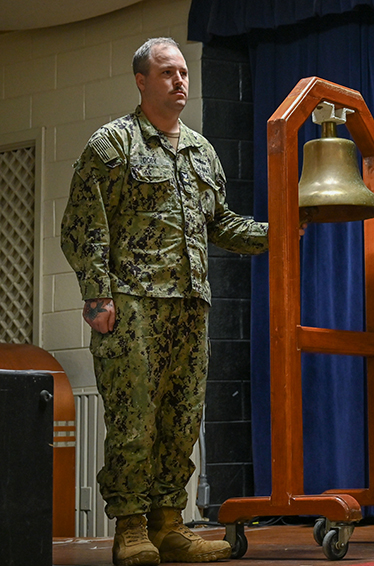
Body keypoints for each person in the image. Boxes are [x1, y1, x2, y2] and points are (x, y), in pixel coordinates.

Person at [61, 37, 268, 566]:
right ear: (141, 81)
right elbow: (84, 226)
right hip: (131, 304)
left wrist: (282, 229)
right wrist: (96, 297)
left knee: (181, 419)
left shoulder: (202, 151)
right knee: (135, 420)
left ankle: (169, 525)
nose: (180, 80)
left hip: (191, 305)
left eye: (183, 72)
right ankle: (131, 529)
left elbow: (222, 224)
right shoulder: (113, 143)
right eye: (167, 73)